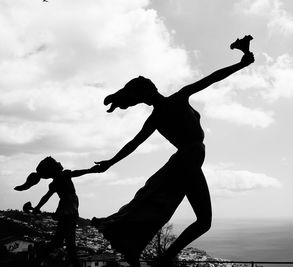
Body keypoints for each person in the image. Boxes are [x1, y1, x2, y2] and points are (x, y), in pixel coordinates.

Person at [92, 36, 255, 267]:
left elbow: (133, 144)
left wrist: (110, 163)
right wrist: (241, 64)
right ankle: (163, 259)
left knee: (172, 211)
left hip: (187, 160)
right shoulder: (177, 100)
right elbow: (211, 78)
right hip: (188, 159)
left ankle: (155, 255)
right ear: (151, 90)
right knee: (201, 220)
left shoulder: (157, 116)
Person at [14, 156, 99, 267]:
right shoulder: (63, 175)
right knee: (68, 244)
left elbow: (46, 197)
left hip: (66, 210)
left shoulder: (55, 182)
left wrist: (37, 208)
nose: (59, 163)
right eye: (56, 162)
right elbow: (77, 173)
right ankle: (37, 261)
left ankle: (37, 261)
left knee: (59, 242)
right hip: (69, 211)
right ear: (53, 168)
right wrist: (91, 170)